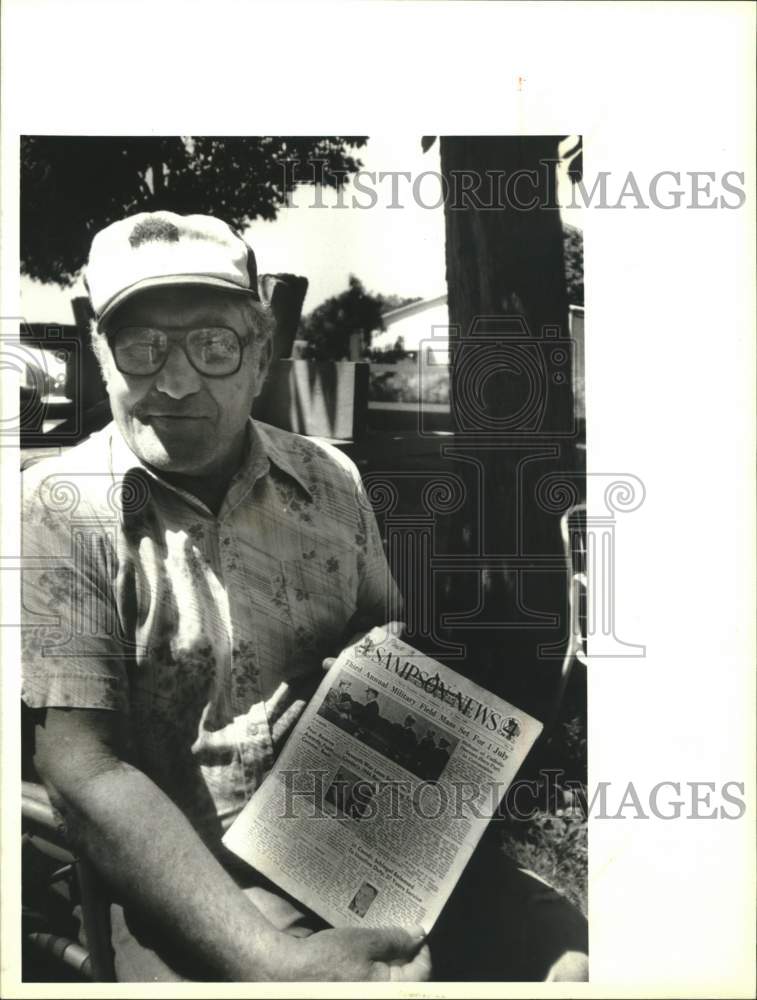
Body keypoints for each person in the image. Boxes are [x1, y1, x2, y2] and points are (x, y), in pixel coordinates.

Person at [21, 210, 587, 982]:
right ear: (101, 353)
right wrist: (273, 964)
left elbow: (391, 640)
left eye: (214, 345)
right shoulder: (60, 508)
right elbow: (82, 772)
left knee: (574, 961)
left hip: (370, 830)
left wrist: (379, 667)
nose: (176, 380)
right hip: (195, 877)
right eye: (141, 346)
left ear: (259, 356)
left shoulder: (330, 477)